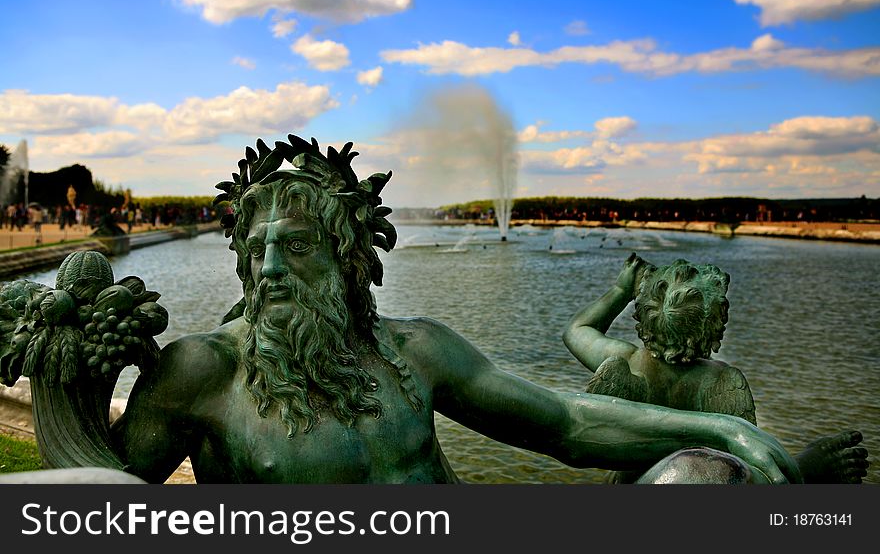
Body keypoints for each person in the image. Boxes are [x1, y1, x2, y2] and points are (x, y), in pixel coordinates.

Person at [99, 136, 801, 484]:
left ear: (349, 258)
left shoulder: (415, 351)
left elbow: (566, 421)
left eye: (301, 248)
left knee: (698, 477)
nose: (272, 270)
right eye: (258, 251)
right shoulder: (201, 372)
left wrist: (725, 428)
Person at [563, 254, 869, 483]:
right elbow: (744, 458)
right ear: (715, 324)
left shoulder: (625, 362)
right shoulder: (722, 382)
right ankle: (804, 470)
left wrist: (620, 289)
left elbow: (577, 329)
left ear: (644, 312)